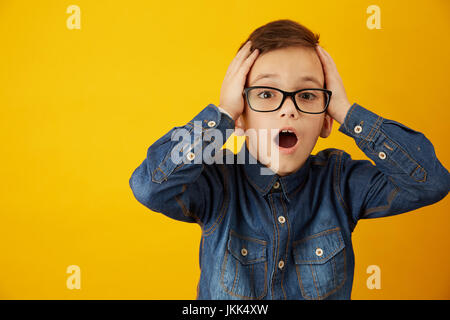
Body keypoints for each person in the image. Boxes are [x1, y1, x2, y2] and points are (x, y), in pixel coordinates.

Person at [129, 19, 450, 300]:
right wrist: (221, 115)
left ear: (326, 122)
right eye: (267, 93)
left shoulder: (341, 182)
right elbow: (149, 186)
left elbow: (432, 182)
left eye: (308, 95)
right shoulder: (217, 183)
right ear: (242, 116)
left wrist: (348, 113)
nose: (289, 108)